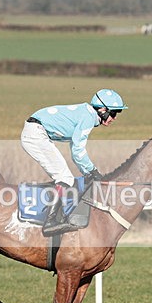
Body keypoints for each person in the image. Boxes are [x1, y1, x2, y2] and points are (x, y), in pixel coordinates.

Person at [21, 88, 127, 236]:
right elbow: (78, 151)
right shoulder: (88, 118)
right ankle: (50, 222)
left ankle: (55, 215)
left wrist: (88, 172)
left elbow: (74, 150)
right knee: (65, 178)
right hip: (36, 134)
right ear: (103, 110)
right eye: (114, 113)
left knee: (65, 177)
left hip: (36, 132)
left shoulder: (88, 114)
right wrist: (93, 171)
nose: (115, 118)